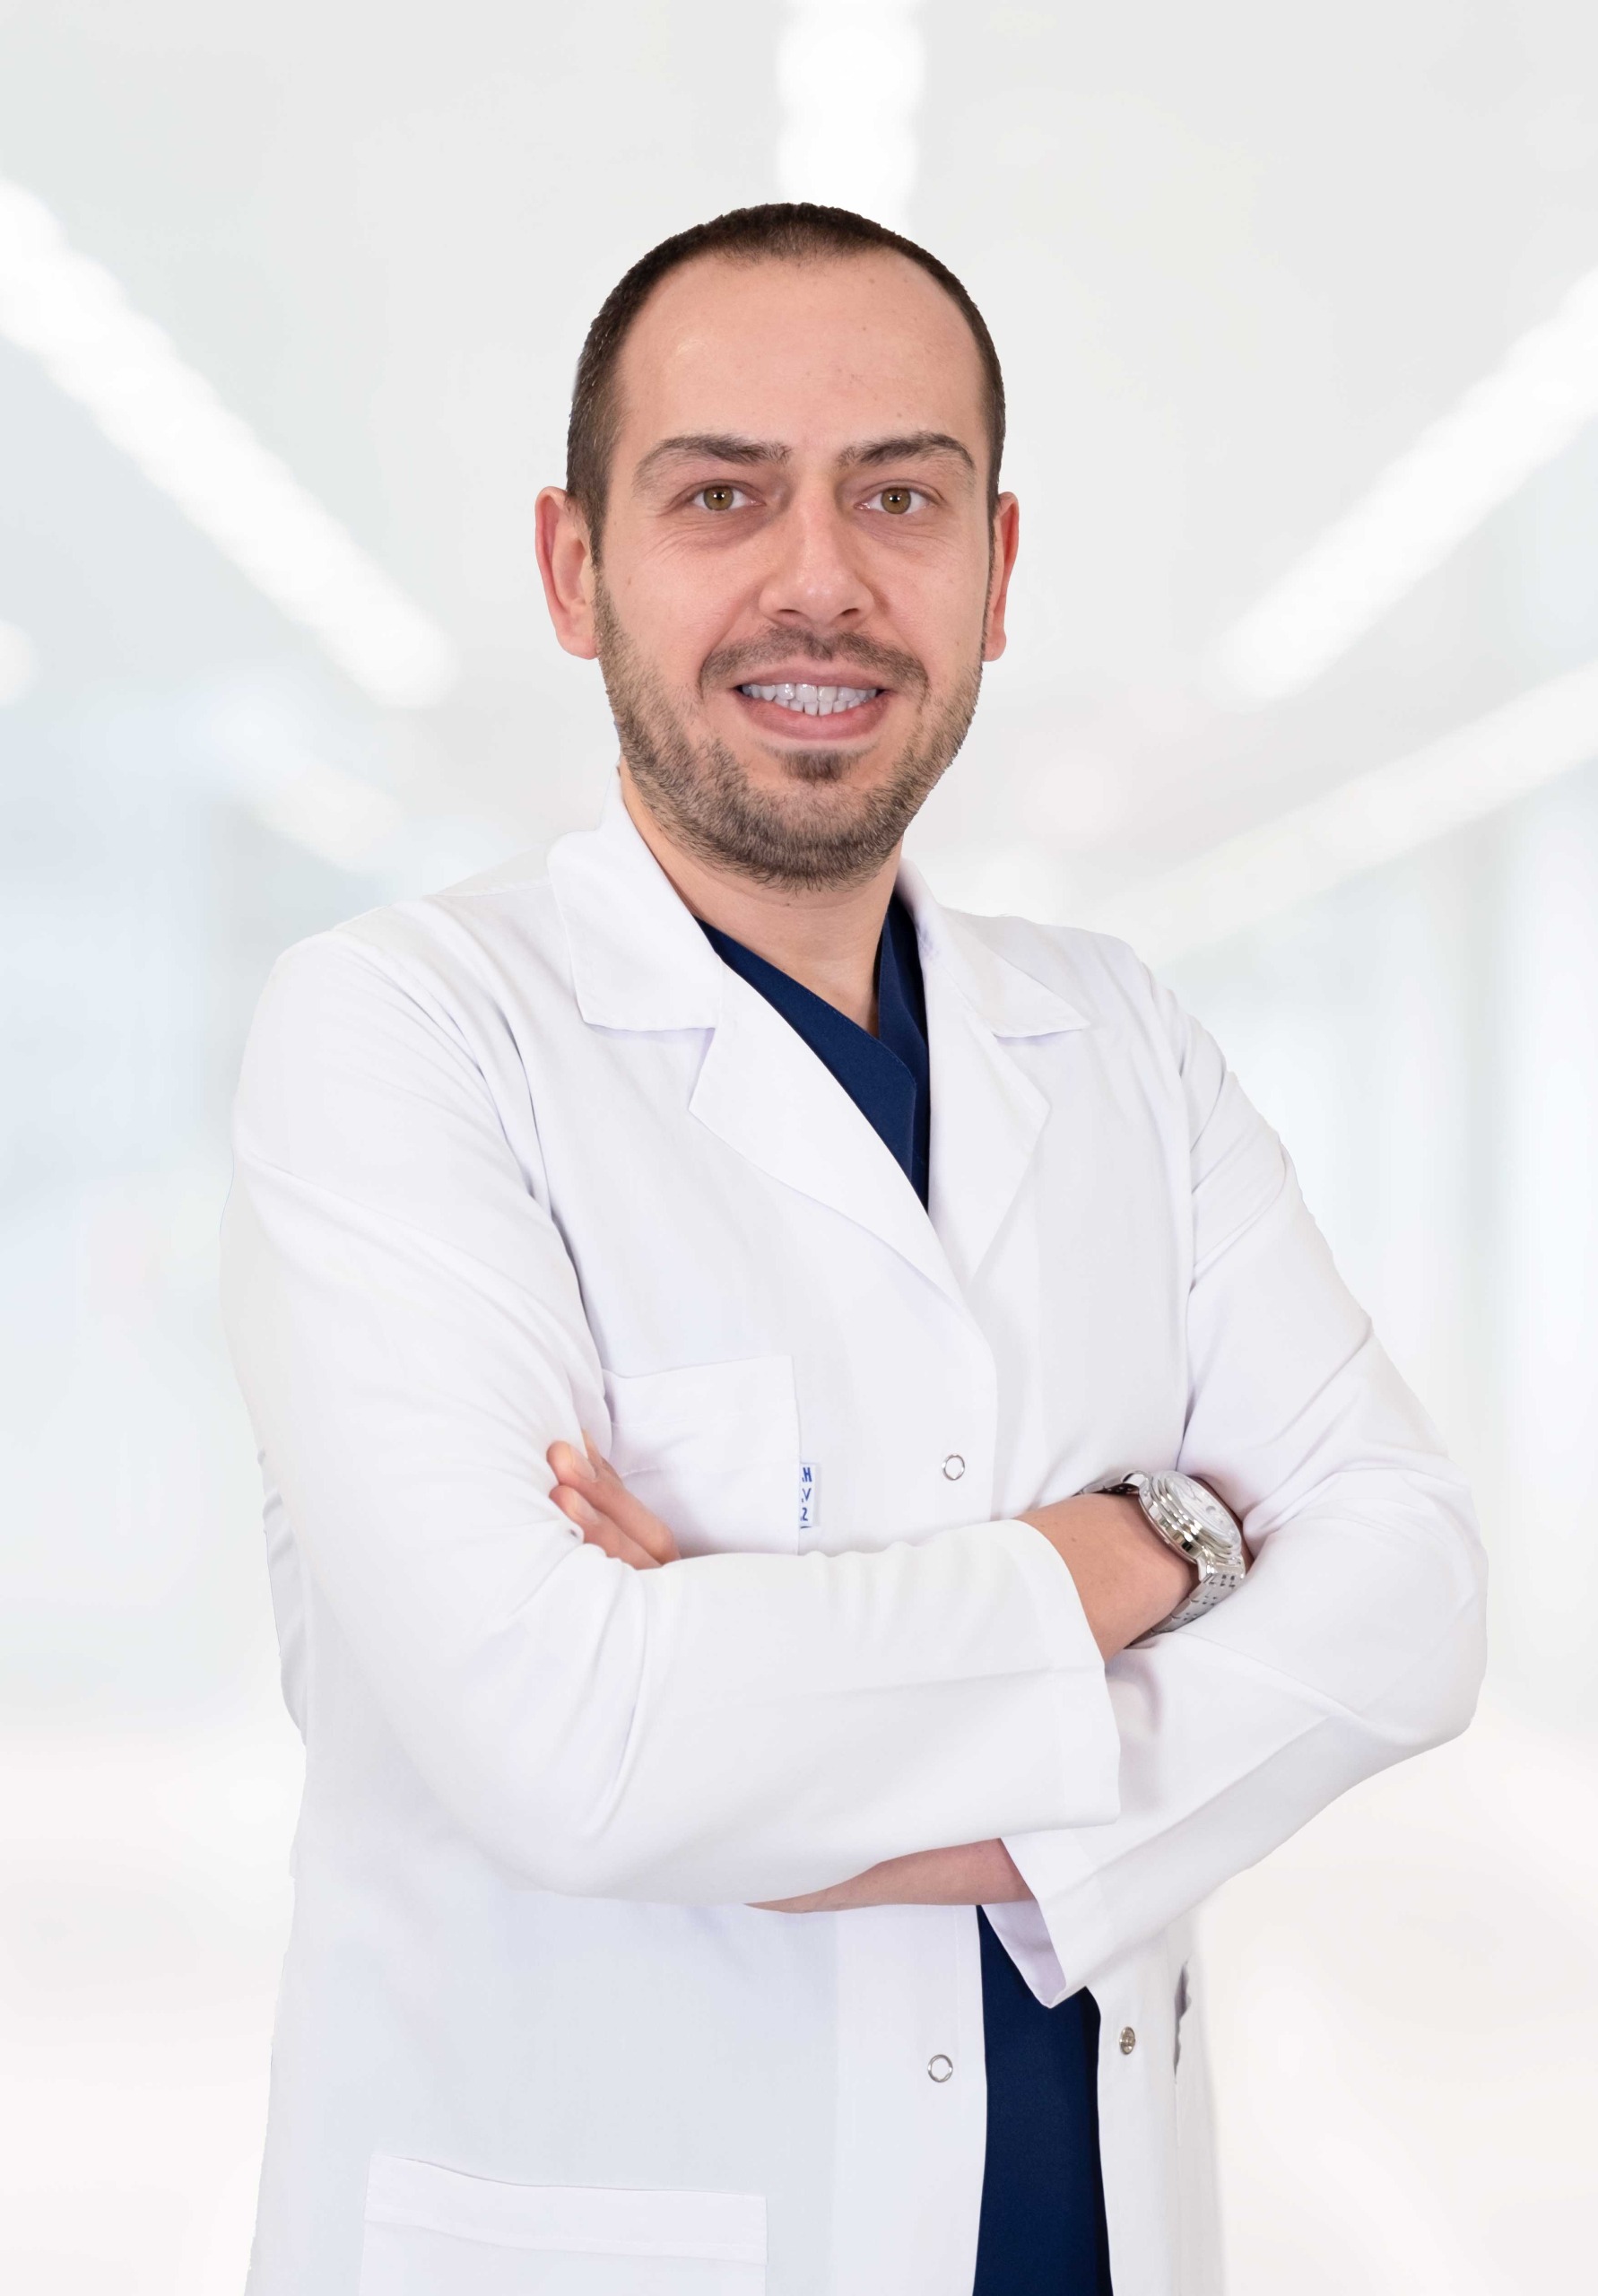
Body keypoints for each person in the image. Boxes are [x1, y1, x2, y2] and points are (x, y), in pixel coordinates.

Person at [221, 204, 1486, 2296]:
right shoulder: (402, 1035)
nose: (820, 577)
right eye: (721, 494)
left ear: (996, 570)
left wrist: (816, 1767)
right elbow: (580, 1744)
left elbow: (1412, 1594)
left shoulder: (1119, 1037)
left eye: (901, 496)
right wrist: (1148, 1550)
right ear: (573, 567)